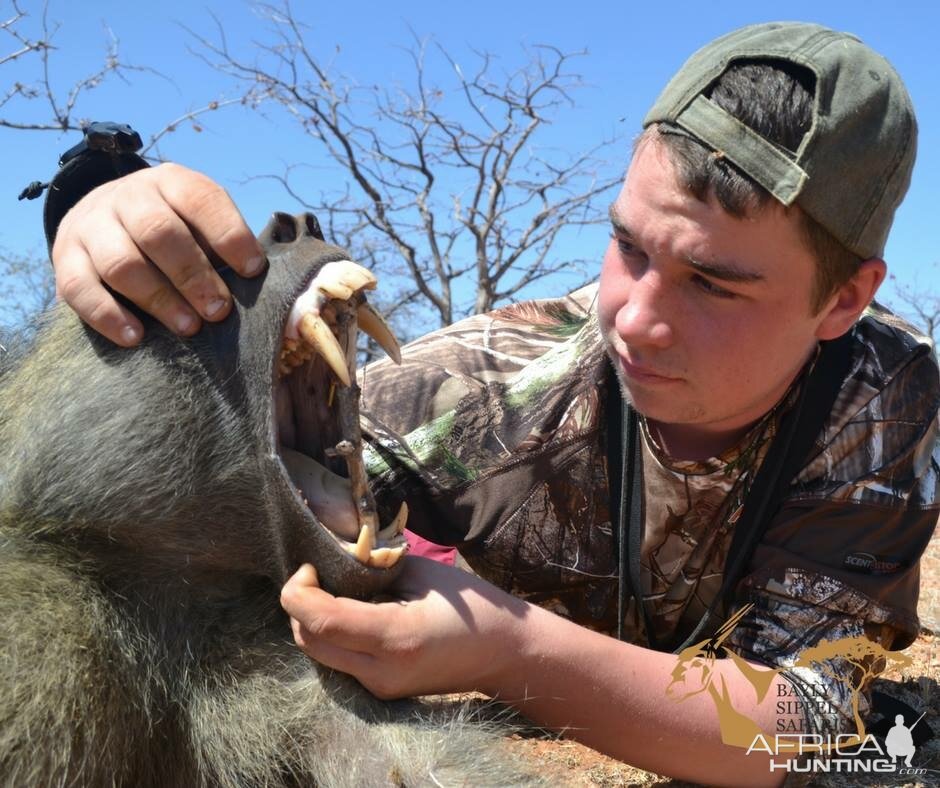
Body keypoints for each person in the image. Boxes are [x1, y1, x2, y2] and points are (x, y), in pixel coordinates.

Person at [40, 22, 939, 786]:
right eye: (628, 246)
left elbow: (809, 722)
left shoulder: (883, 398)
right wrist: (108, 221)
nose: (634, 318)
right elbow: (230, 477)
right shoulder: (494, 380)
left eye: (713, 283)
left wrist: (508, 651)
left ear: (843, 300)